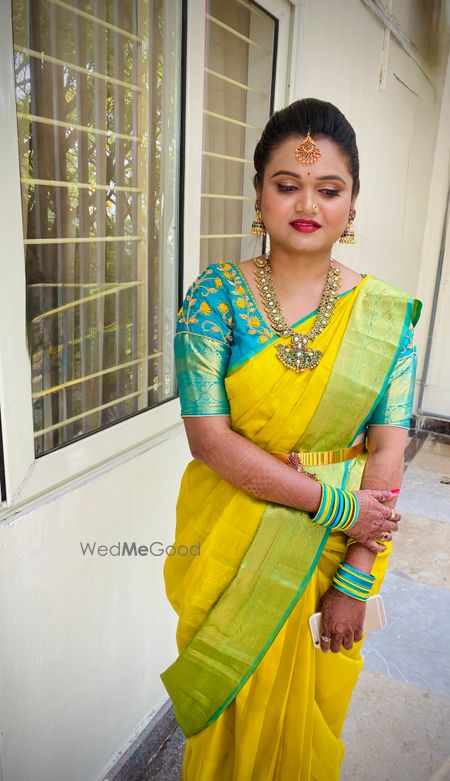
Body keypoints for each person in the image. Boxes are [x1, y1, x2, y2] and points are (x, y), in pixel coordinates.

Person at [160, 98, 422, 780]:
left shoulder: (383, 316)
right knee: (232, 713)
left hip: (334, 553)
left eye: (329, 189)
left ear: (353, 203)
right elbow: (208, 440)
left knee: (306, 720)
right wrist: (336, 507)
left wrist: (356, 574)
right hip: (232, 539)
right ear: (259, 193)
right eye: (287, 184)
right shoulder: (215, 295)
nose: (308, 203)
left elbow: (387, 450)